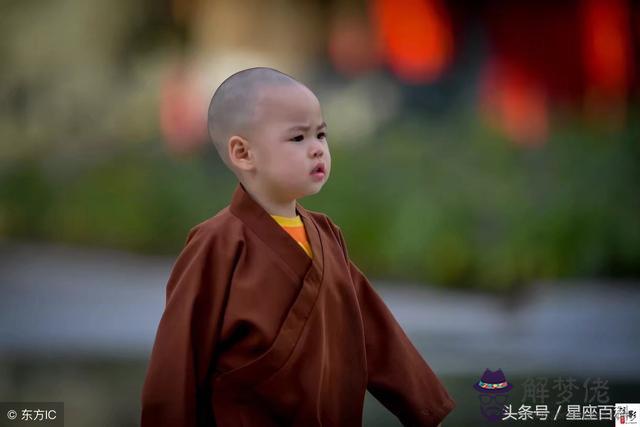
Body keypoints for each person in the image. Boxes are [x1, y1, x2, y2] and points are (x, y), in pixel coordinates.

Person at [140, 67, 456, 426]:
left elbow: (373, 330)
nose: (317, 150)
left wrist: (423, 405)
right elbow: (179, 353)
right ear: (243, 153)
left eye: (321, 135)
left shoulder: (326, 234)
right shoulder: (217, 242)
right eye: (297, 139)